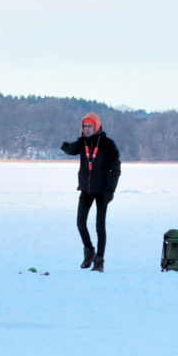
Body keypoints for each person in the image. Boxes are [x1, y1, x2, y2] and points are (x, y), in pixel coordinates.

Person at [60, 112, 120, 271]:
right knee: (80, 223)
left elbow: (116, 169)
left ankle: (99, 262)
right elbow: (73, 149)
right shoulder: (83, 142)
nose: (87, 129)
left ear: (96, 126)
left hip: (102, 191)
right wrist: (66, 147)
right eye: (84, 126)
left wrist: (111, 190)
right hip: (86, 190)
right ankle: (89, 253)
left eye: (90, 126)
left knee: (100, 227)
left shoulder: (108, 144)